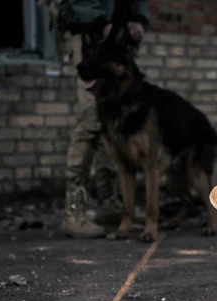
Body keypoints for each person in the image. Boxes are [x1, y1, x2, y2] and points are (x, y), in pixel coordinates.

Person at [48, 0, 150, 238]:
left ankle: (109, 204)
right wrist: (100, 23)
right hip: (89, 42)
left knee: (111, 125)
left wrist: (139, 22)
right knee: (91, 122)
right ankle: (73, 212)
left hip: (116, 46)